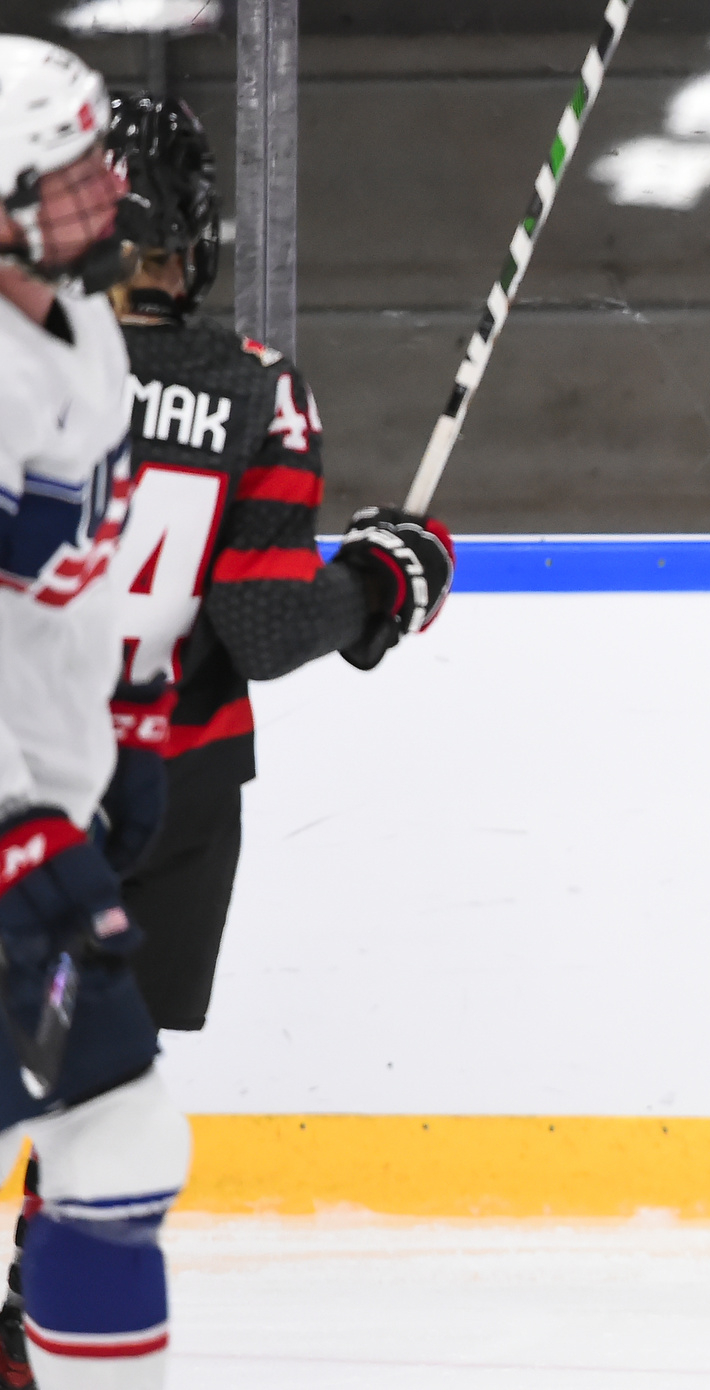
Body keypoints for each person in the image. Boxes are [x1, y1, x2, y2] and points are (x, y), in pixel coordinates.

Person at [0, 89, 455, 1390]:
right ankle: (57, 1319)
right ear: (181, 230)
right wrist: (385, 582)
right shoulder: (257, 384)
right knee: (102, 1114)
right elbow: (260, 624)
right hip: (168, 785)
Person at [0, 38, 190, 1390]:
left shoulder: (86, 327)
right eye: (65, 175)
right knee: (116, 1132)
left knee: (102, 1140)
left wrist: (103, 744)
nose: (102, 193)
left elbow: (55, 592)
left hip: (36, 793)